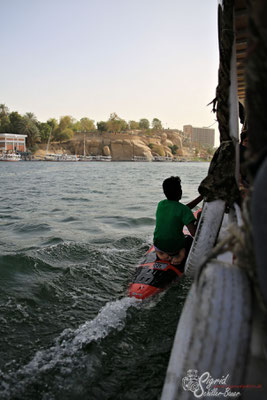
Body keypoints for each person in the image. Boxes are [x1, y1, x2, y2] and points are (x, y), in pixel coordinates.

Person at [153, 176, 200, 267]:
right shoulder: (183, 210)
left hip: (158, 244)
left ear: (164, 192)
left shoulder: (161, 204)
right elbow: (194, 233)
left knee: (159, 241)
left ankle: (160, 253)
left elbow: (179, 209)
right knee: (189, 239)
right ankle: (180, 257)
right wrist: (198, 221)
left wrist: (200, 198)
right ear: (180, 192)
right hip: (174, 248)